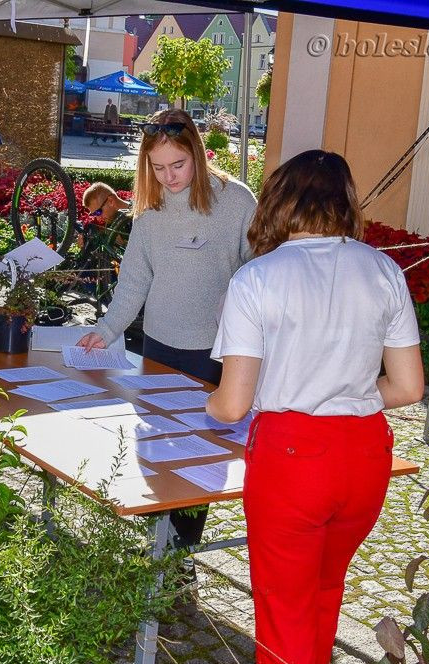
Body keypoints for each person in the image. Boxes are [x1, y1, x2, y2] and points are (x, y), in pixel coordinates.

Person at [206, 150, 424, 664]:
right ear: (343, 202)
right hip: (363, 454)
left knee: (284, 615)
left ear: (279, 200)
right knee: (321, 599)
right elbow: (409, 386)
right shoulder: (384, 270)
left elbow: (233, 404)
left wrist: (211, 401)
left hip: (294, 458)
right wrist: (346, 394)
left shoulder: (258, 278)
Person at [77, 108, 257, 564]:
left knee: (200, 459)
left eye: (177, 165)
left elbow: (260, 272)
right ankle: (160, 541)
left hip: (215, 354)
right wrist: (107, 329)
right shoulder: (150, 211)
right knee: (155, 447)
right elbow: (134, 280)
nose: (169, 177)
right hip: (158, 347)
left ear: (197, 153)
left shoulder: (236, 201)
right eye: (157, 168)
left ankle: (180, 557)